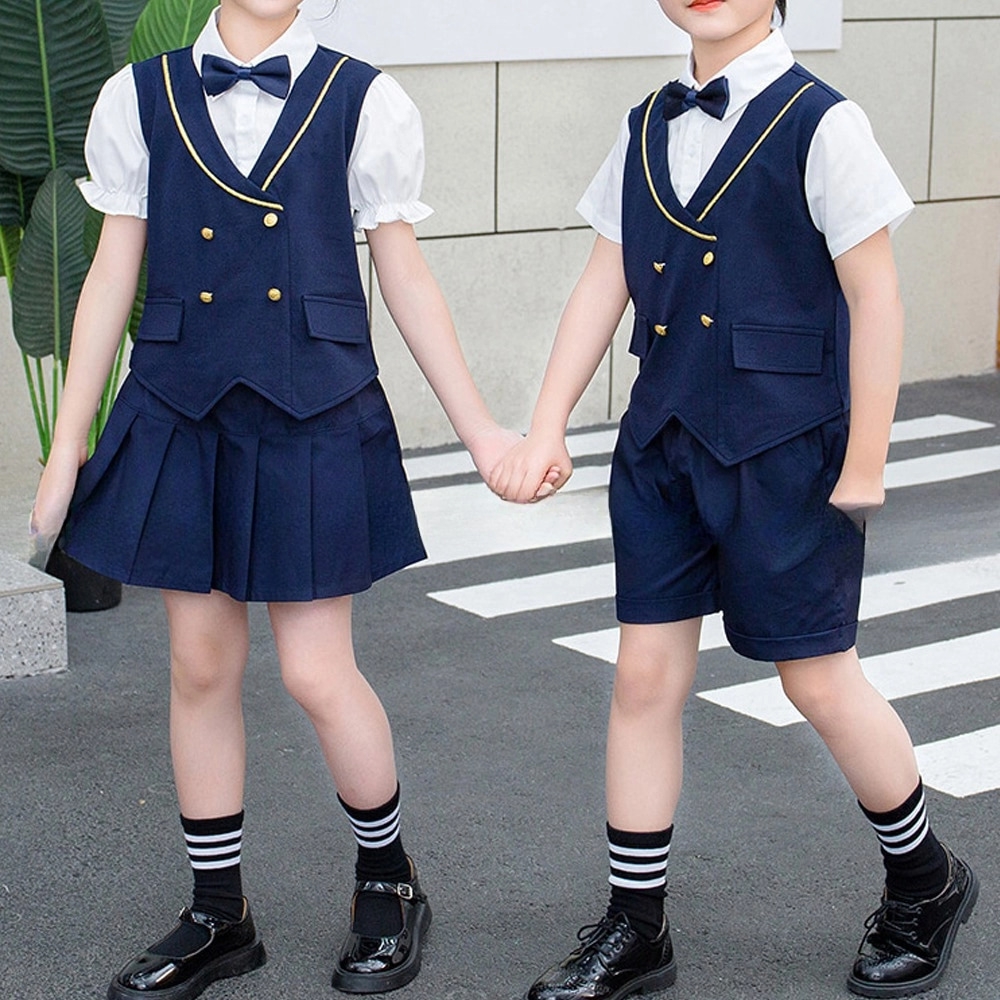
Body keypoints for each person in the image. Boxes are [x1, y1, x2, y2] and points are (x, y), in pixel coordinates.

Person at [29, 2, 526, 998]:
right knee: (200, 664)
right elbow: (112, 269)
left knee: (316, 671)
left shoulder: (365, 98)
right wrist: (68, 443)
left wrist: (481, 429)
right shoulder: (139, 95)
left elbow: (404, 273)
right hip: (182, 402)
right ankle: (220, 914)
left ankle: (389, 881)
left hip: (314, 407)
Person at [489, 2, 978, 998]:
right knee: (642, 680)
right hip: (662, 444)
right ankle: (637, 927)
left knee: (817, 679)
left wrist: (868, 458)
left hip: (787, 451)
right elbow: (602, 282)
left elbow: (876, 296)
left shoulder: (823, 121)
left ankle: (927, 880)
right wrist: (545, 426)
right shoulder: (643, 127)